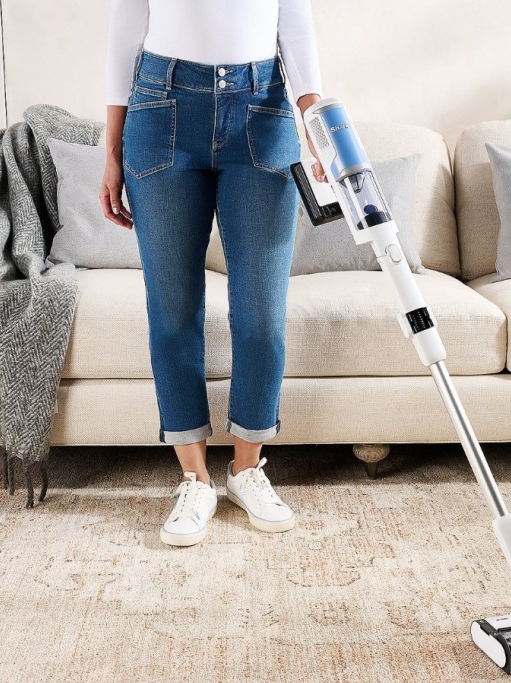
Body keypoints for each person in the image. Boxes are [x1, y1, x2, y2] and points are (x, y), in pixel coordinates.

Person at [99, 0, 327, 547]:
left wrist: (316, 123)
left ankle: (246, 469)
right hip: (160, 112)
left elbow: (294, 28)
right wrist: (110, 152)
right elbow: (124, 37)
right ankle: (194, 479)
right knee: (173, 310)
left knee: (262, 314)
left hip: (265, 111)